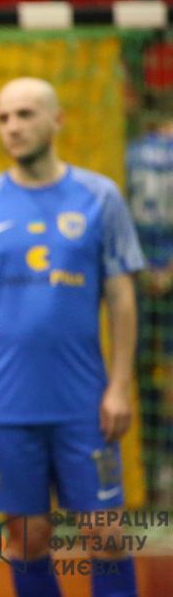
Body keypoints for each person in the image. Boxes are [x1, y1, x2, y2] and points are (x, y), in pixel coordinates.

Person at [0, 77, 143, 597]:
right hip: (5, 408)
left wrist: (120, 385)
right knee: (27, 538)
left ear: (57, 120)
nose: (13, 127)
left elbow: (121, 296)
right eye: (3, 118)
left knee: (106, 535)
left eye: (26, 114)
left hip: (85, 403)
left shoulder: (100, 196)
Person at [125, 112, 173, 505]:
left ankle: (151, 465)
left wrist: (142, 268)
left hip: (137, 275)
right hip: (159, 274)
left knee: (137, 369)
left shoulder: (129, 152)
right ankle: (162, 464)